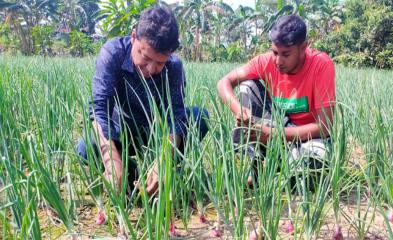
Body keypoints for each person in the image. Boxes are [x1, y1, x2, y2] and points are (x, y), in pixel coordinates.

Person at [76, 5, 209, 196]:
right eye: (145, 58)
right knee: (85, 148)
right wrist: (112, 160)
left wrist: (164, 158)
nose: (151, 68)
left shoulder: (174, 67)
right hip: (122, 131)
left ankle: (162, 171)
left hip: (157, 134)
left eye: (160, 62)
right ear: (133, 37)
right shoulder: (114, 53)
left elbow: (176, 118)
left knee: (199, 118)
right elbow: (99, 111)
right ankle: (130, 172)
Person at [217, 14, 335, 186]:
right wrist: (239, 110)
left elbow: (324, 127)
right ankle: (253, 162)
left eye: (286, 54)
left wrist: (273, 135)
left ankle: (280, 168)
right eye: (274, 52)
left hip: (309, 137)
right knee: (248, 86)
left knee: (313, 170)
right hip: (277, 126)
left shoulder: (321, 65)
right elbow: (224, 82)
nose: (278, 61)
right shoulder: (266, 62)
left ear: (303, 47)